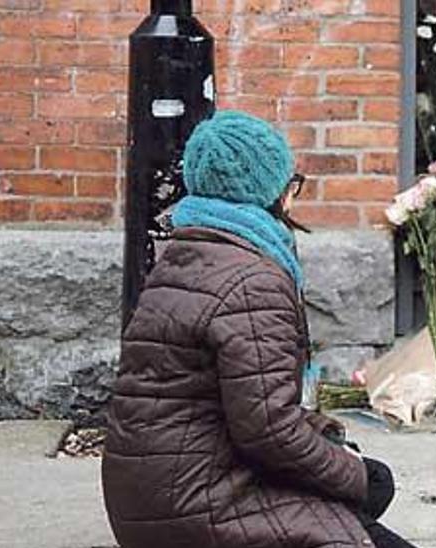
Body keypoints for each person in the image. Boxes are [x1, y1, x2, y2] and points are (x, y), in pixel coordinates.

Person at [101, 111, 414, 548]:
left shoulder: (185, 255)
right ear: (272, 193)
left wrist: (328, 442)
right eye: (291, 184)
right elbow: (269, 431)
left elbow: (244, 406)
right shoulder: (252, 279)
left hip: (151, 496)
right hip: (200, 505)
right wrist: (360, 477)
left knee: (352, 505)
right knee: (369, 502)